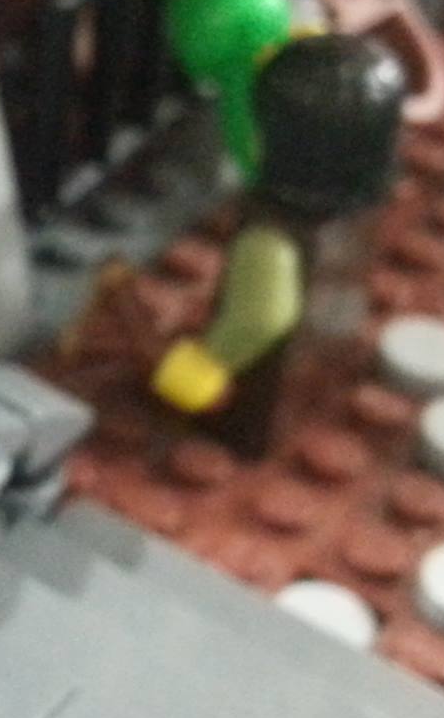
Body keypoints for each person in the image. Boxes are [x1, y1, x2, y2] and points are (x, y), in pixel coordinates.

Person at [152, 31, 408, 455]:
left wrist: (207, 361)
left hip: (255, 403)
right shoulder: (362, 208)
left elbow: (263, 316)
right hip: (323, 373)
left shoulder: (271, 234)